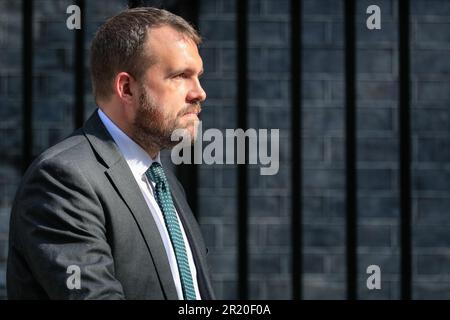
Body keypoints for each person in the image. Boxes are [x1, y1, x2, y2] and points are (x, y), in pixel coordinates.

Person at [6, 7, 215, 300]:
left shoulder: (162, 181)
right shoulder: (63, 179)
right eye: (180, 75)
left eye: (198, 76)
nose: (199, 92)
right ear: (127, 88)